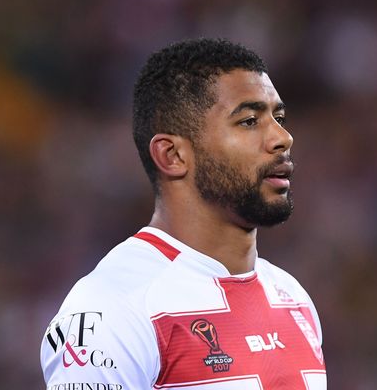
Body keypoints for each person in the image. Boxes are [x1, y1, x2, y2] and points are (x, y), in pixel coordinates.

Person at [40, 38, 326, 389]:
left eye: (278, 118)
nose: (282, 138)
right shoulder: (112, 309)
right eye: (250, 121)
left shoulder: (293, 299)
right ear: (172, 156)